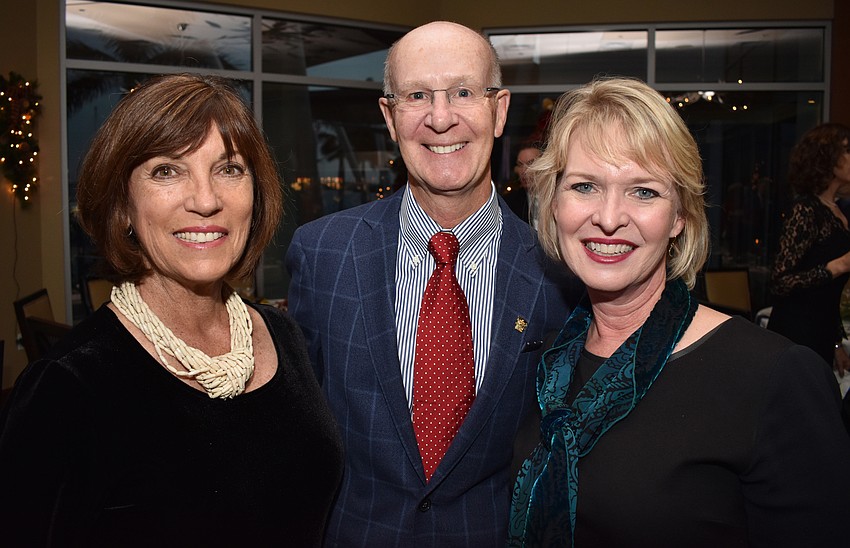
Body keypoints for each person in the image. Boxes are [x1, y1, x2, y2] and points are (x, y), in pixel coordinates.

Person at [0, 74, 343, 547]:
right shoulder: (69, 386)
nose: (206, 200)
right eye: (167, 170)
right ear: (122, 205)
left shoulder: (284, 336)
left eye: (229, 169)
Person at [508, 77, 850, 547]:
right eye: (585, 185)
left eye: (643, 191)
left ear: (680, 217)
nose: (609, 217)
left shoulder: (774, 377)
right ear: (553, 205)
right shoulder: (546, 361)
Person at [285, 21, 575, 547]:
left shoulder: (557, 272)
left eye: (464, 92)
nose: (441, 119)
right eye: (417, 95)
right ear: (390, 116)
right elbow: (298, 434)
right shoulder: (321, 254)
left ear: (500, 109)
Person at [768, 123, 850, 378]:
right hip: (797, 335)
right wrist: (838, 266)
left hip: (822, 332)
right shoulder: (805, 210)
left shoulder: (838, 211)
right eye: (846, 150)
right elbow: (780, 281)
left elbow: (827, 298)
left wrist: (836, 342)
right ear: (826, 158)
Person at [503, 143, 542, 226]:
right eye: (520, 165)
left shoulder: (559, 197)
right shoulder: (508, 203)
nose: (524, 171)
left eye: (530, 163)